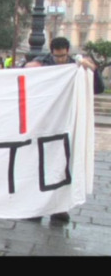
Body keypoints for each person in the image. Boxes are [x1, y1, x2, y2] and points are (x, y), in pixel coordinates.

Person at [24, 37, 104, 223]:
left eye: (63, 56)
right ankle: (36, 207)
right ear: (51, 53)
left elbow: (98, 88)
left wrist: (93, 70)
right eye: (57, 56)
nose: (60, 60)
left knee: (62, 166)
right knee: (39, 166)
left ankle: (58, 208)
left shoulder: (76, 66)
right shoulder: (42, 64)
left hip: (67, 124)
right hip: (45, 123)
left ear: (68, 51)